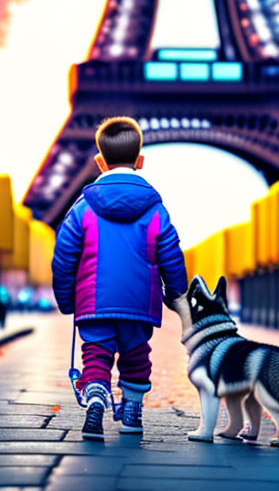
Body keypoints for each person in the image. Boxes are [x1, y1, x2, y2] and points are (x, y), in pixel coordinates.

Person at [52, 116, 188, 441]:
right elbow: (171, 251)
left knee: (96, 353)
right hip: (139, 302)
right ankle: (132, 411)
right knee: (136, 354)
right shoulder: (155, 209)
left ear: (100, 162)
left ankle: (96, 395)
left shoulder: (83, 207)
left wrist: (66, 298)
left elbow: (63, 256)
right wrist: (176, 291)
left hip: (93, 301)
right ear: (140, 160)